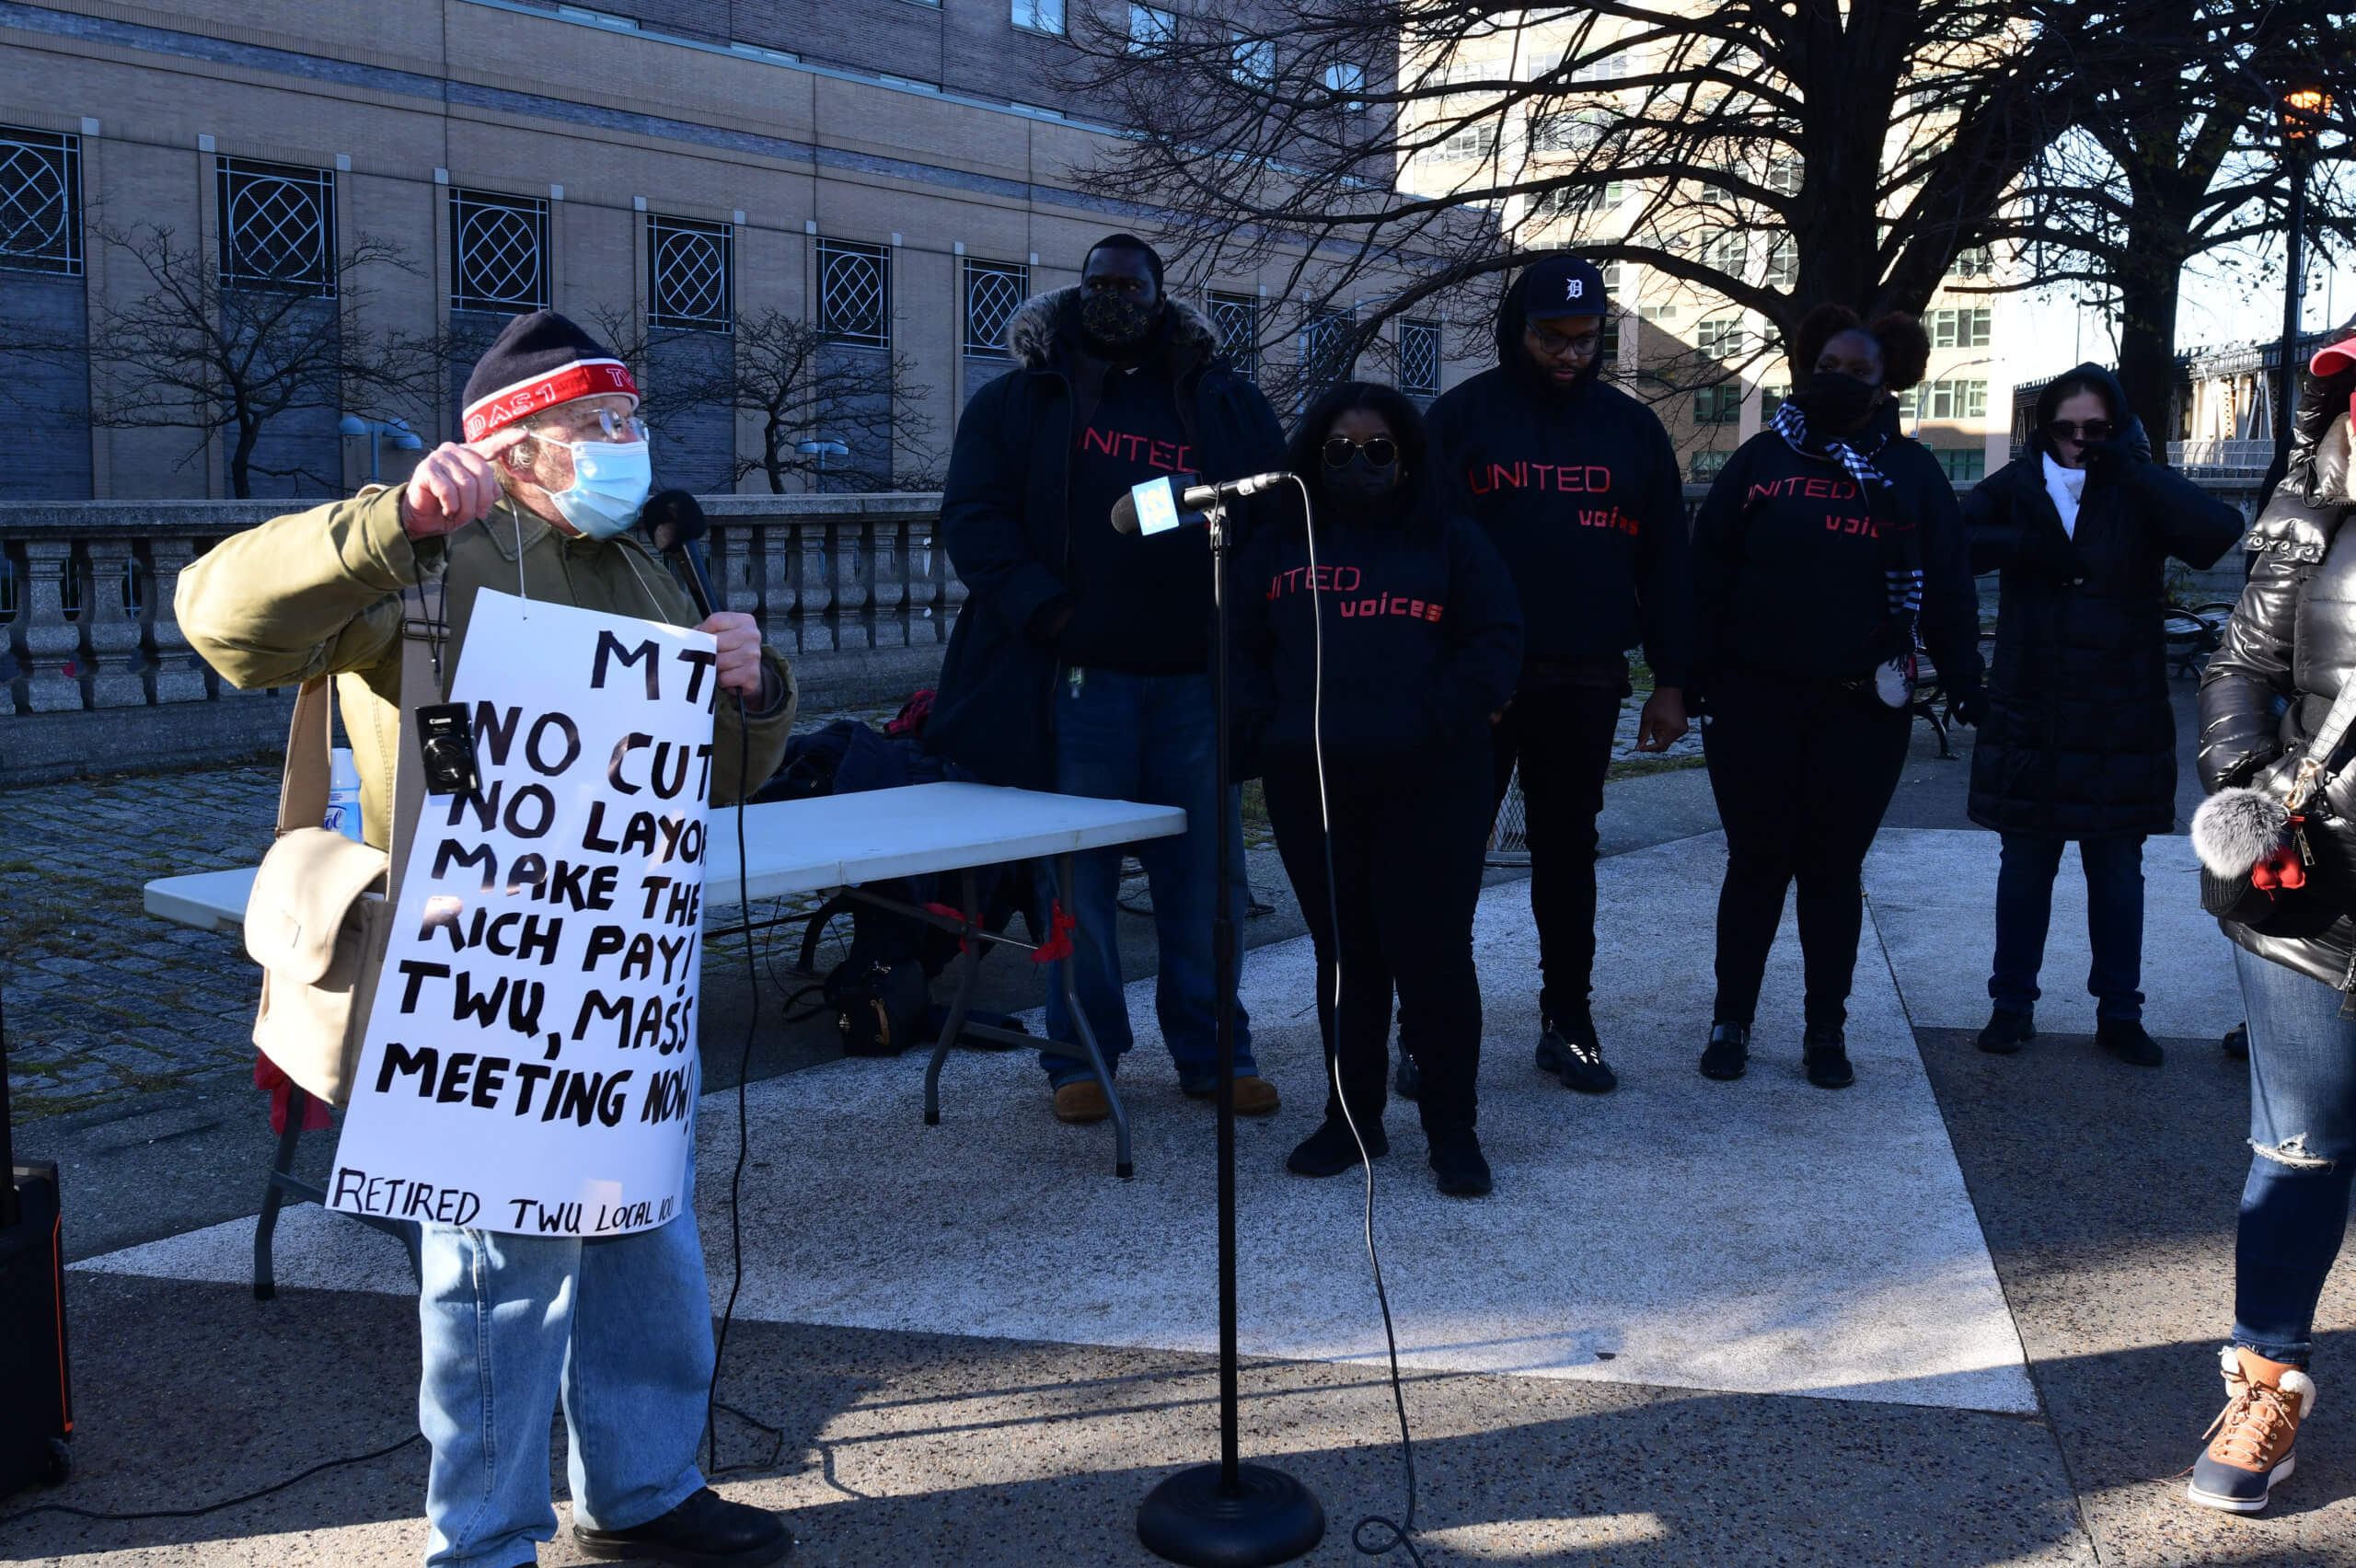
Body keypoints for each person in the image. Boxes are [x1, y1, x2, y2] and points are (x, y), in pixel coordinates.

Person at [177, 311, 799, 1568]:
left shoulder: (647, 563)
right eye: (594, 423)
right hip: (475, 970)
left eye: (630, 419)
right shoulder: (422, 555)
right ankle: (486, 1540)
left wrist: (754, 689)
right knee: (497, 1278)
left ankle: (644, 1490)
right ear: (513, 447)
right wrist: (391, 522)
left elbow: (721, 777)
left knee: (642, 1231)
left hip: (623, 962)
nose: (625, 443)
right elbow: (221, 616)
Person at [928, 234, 1290, 1124]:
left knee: (1205, 883)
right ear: (1078, 290)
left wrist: (1241, 628)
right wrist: (1049, 613)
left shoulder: (1221, 399)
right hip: (1077, 682)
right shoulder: (1018, 399)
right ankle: (1081, 1056)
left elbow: (1271, 515)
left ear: (1162, 296)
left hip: (1194, 683)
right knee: (1076, 885)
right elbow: (973, 521)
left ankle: (1215, 1051)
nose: (1115, 298)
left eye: (1132, 286)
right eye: (1101, 284)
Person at [1233, 382, 1522, 1195]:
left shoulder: (1453, 539)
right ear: (1312, 457)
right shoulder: (1278, 544)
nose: (1357, 464)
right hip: (1314, 781)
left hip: (1433, 781)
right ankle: (1351, 1120)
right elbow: (1241, 648)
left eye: (1378, 450)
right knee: (1345, 957)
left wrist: (1436, 719)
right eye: (1339, 450)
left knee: (1433, 956)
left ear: (1409, 458)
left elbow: (1496, 642)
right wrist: (1270, 729)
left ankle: (1452, 1129)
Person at [1689, 305, 1984, 1087]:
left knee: (1832, 869)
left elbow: (1949, 584)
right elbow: (1705, 574)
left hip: (1861, 710)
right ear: (1805, 368)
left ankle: (1826, 1029)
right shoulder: (1760, 460)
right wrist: (1684, 678)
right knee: (1756, 864)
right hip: (1753, 703)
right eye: (1828, 367)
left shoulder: (1913, 474)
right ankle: (1731, 1019)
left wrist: (1965, 679)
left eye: (1859, 371)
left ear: (1889, 383)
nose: (1840, 380)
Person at [1426, 255, 1692, 1095]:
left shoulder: (1632, 429)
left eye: (1587, 339)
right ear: (1519, 330)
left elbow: (1667, 562)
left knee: (1569, 856)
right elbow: (1419, 552)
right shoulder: (1462, 417)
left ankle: (1568, 1023)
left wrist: (1673, 680)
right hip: (1476, 680)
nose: (1571, 355)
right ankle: (1425, 1030)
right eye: (1553, 338)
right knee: (1445, 854)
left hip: (1585, 675)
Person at [2188, 331, 2356, 1513]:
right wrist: (2248, 784)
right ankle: (2264, 1385)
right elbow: (2237, 669)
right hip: (2314, 891)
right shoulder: (2311, 516)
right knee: (2297, 1149)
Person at [1965, 363, 2242, 1065]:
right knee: (2024, 867)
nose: (2081, 442)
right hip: (2032, 708)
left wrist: (2133, 470)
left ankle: (2120, 1012)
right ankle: (2011, 1005)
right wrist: (2023, 546)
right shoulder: (2019, 484)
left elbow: (2217, 532)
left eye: (2097, 429)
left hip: (2121, 713)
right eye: (2067, 429)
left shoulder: (2134, 485)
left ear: (2117, 428)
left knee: (2117, 871)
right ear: (2045, 430)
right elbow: (1947, 543)